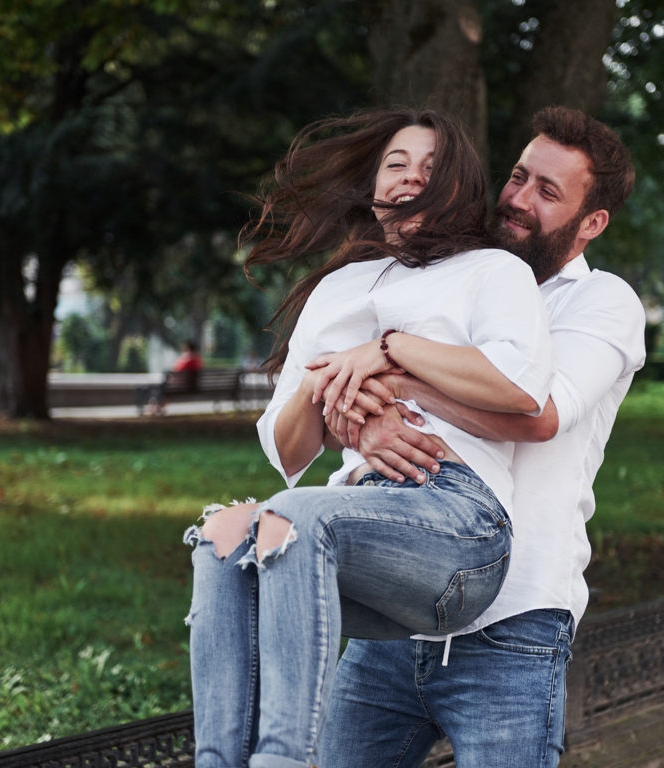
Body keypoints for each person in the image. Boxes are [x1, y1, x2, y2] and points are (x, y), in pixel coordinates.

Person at [184, 109, 553, 768]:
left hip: (458, 526)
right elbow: (288, 448)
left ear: (459, 188)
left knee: (290, 519)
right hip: (355, 514)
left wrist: (387, 353)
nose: (412, 178)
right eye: (396, 164)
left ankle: (281, 760)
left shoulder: (492, 271)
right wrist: (324, 386)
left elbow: (518, 387)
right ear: (376, 187)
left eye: (431, 168)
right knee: (225, 533)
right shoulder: (339, 287)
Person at [318, 107, 646, 768]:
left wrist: (401, 378)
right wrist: (367, 415)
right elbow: (334, 395)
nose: (519, 200)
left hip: (514, 625)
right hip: (392, 612)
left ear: (591, 223)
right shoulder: (445, 279)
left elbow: (538, 414)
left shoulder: (601, 303)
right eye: (519, 176)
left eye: (547, 192)